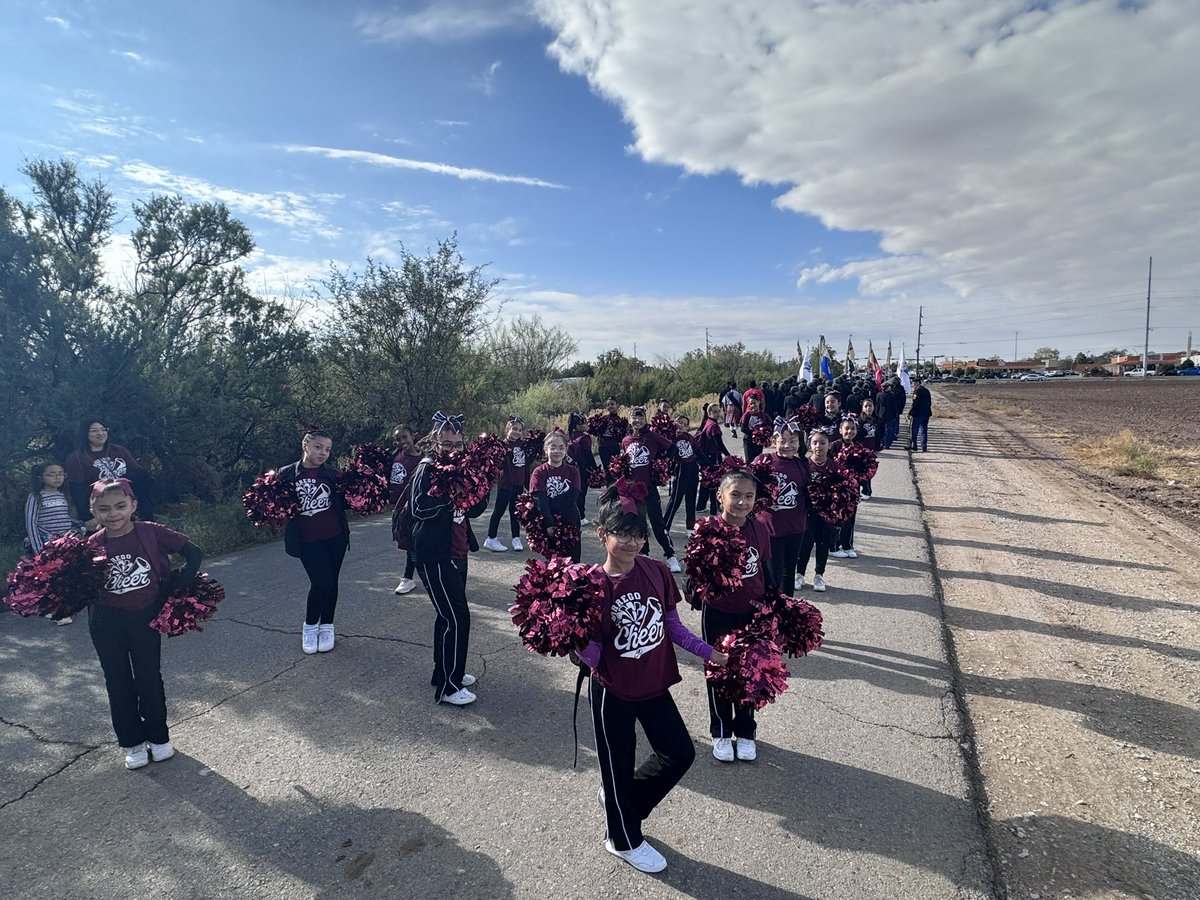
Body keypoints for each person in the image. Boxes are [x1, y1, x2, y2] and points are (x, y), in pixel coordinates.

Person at [578, 482, 726, 873]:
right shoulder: (590, 586)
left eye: (639, 534)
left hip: (653, 681)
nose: (632, 543)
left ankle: (621, 804)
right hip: (613, 690)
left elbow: (673, 627)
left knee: (679, 753)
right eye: (622, 534)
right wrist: (576, 641)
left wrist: (710, 653)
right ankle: (621, 839)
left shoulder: (657, 571)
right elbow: (594, 655)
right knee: (617, 764)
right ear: (602, 534)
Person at [87, 478, 202, 770]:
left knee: (148, 677)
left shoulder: (151, 532)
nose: (113, 514)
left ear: (133, 505)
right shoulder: (90, 545)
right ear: (94, 511)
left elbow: (193, 553)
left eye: (120, 506)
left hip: (145, 616)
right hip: (105, 621)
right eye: (104, 509)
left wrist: (180, 584)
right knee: (117, 681)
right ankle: (133, 742)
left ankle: (158, 737)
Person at [687, 468, 773, 762]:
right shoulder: (707, 529)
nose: (741, 502)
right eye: (735, 495)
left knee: (750, 671)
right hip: (718, 612)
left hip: (752, 611)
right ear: (720, 496)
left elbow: (765, 569)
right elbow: (694, 573)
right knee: (718, 670)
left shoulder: (760, 529)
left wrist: (774, 606)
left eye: (749, 496)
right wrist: (695, 589)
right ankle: (721, 731)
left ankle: (746, 732)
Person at [408, 413, 483, 705]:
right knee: (456, 617)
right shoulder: (426, 468)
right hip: (434, 554)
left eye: (458, 444)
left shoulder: (462, 467)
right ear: (435, 442)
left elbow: (474, 510)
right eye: (447, 443)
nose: (453, 449)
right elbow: (418, 508)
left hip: (457, 552)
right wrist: (450, 498)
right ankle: (449, 688)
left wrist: (478, 487)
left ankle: (445, 672)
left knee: (447, 616)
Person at [278, 430, 351, 654]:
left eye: (328, 450)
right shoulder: (286, 474)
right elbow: (275, 506)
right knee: (321, 582)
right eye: (318, 447)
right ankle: (310, 626)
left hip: (335, 538)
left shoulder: (332, 474)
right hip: (307, 541)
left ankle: (327, 625)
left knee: (332, 582)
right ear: (305, 446)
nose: (323, 453)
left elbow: (345, 502)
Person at [621, 406, 681, 573]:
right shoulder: (626, 440)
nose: (637, 421)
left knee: (657, 523)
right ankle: (644, 555)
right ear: (630, 420)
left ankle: (670, 555)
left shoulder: (652, 436)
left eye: (640, 417)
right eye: (634, 417)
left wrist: (661, 465)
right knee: (638, 523)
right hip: (633, 489)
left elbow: (672, 448)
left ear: (645, 419)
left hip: (649, 488)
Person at [24, 462, 83, 625]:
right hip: (45, 544)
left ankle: (64, 608)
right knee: (52, 578)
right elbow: (31, 523)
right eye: (52, 474)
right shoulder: (36, 497)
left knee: (64, 576)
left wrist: (81, 525)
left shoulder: (63, 496)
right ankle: (56, 611)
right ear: (41, 477)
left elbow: (66, 518)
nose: (58, 477)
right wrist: (38, 549)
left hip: (63, 543)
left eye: (61, 473)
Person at [756, 417, 808, 596]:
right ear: (774, 441)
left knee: (789, 572)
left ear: (799, 443)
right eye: (782, 441)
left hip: (795, 528)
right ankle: (770, 608)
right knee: (773, 574)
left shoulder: (803, 465)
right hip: (769, 529)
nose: (787, 445)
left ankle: (787, 607)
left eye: (792, 441)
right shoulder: (763, 460)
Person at [65, 420, 153, 521]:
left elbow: (139, 475)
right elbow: (77, 491)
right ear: (85, 433)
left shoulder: (119, 450)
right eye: (94, 431)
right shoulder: (76, 458)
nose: (100, 433)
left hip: (128, 503)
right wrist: (87, 517)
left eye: (103, 430)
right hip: (102, 508)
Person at [797, 429, 846, 593]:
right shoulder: (804, 465)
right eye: (815, 443)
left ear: (829, 445)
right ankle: (799, 574)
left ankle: (819, 575)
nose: (818, 446)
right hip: (807, 512)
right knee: (805, 543)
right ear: (810, 445)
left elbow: (842, 490)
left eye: (822, 443)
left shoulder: (834, 466)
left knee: (823, 544)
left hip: (826, 513)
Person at [529, 430, 582, 562]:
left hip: (570, 522)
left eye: (561, 448)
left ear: (566, 450)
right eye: (553, 447)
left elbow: (571, 498)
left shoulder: (573, 471)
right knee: (553, 565)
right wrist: (549, 523)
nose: (557, 451)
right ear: (546, 449)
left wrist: (549, 502)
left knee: (573, 563)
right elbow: (539, 500)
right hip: (549, 522)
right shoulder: (539, 472)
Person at [483, 416, 528, 552]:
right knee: (499, 510)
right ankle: (491, 538)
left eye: (519, 430)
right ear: (507, 429)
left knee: (515, 512)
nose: (517, 432)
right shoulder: (502, 446)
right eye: (514, 429)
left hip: (519, 484)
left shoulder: (522, 446)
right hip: (506, 484)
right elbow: (498, 464)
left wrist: (527, 483)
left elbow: (525, 465)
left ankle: (516, 538)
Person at [388, 425, 423, 595]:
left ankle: (408, 578)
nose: (402, 441)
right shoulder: (394, 456)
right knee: (409, 543)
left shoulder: (422, 459)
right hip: (399, 509)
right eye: (398, 439)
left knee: (413, 543)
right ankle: (411, 578)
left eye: (405, 437)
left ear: (413, 436)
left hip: (415, 508)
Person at [829, 416, 862, 559]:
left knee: (850, 517)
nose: (850, 432)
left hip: (852, 488)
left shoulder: (858, 447)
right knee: (837, 517)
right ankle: (833, 546)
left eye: (853, 429)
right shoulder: (834, 446)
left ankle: (847, 545)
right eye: (846, 428)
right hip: (837, 487)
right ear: (840, 430)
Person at [663, 414, 700, 535]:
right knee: (676, 499)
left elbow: (699, 452)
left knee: (691, 499)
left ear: (688, 428)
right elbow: (668, 454)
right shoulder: (671, 438)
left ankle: (690, 528)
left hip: (693, 469)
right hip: (681, 470)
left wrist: (710, 466)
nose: (682, 426)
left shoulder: (690, 438)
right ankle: (665, 526)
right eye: (680, 423)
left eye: (685, 424)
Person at [694, 402, 727, 517]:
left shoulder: (707, 423)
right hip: (712, 456)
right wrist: (728, 455)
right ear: (709, 413)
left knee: (706, 481)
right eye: (715, 412)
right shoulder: (714, 426)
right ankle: (715, 508)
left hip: (705, 456)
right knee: (714, 482)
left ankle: (701, 506)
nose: (718, 414)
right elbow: (719, 444)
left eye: (719, 411)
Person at [566, 411, 595, 525]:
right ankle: (581, 516)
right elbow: (588, 455)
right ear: (578, 426)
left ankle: (572, 515)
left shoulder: (569, 436)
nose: (587, 424)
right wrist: (594, 469)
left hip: (570, 469)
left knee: (573, 492)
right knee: (581, 493)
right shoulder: (584, 438)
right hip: (582, 469)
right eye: (585, 422)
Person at [595, 397, 629, 483]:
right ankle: (609, 488)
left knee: (615, 469)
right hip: (603, 447)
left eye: (612, 404)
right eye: (608, 405)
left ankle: (615, 488)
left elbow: (623, 436)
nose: (610, 406)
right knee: (607, 470)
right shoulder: (603, 419)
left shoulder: (621, 421)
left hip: (614, 447)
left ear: (617, 405)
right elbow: (595, 431)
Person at [856, 398, 880, 499]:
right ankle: (859, 491)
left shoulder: (877, 420)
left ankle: (867, 491)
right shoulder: (859, 420)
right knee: (858, 471)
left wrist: (878, 446)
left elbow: (880, 434)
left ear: (873, 407)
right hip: (860, 449)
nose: (868, 408)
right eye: (865, 406)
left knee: (868, 471)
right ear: (862, 408)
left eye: (870, 406)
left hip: (872, 449)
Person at [739, 394, 768, 463]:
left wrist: (764, 434)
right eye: (751, 404)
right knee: (749, 461)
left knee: (757, 461)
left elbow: (770, 426)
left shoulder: (763, 415)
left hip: (759, 442)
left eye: (754, 403)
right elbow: (743, 428)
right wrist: (754, 433)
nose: (753, 405)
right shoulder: (747, 415)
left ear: (759, 402)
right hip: (748, 441)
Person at [909, 378, 933, 452]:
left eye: (913, 383)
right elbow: (929, 402)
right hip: (926, 413)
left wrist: (911, 412)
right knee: (924, 430)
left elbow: (915, 403)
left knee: (914, 429)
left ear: (917, 383)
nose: (912, 385)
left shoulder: (916, 391)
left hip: (918, 413)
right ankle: (924, 447)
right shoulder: (926, 391)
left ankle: (914, 446)